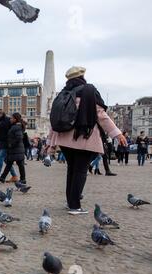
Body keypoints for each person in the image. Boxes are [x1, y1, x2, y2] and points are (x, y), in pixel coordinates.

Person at [47, 66, 127, 215]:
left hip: (64, 139)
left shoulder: (63, 94)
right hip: (82, 137)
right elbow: (101, 115)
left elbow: (54, 120)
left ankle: (71, 201)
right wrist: (117, 133)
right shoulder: (88, 91)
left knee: (72, 170)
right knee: (80, 171)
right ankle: (75, 206)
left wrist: (50, 142)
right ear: (82, 76)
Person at [0, 110, 18, 182]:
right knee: (6, 161)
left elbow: (14, 130)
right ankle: (14, 176)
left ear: (2, 113)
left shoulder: (8, 120)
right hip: (0, 143)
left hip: (7, 143)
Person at [0, 113, 27, 184]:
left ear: (15, 119)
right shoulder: (16, 126)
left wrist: (11, 144)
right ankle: (3, 177)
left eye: (11, 118)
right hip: (16, 149)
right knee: (11, 164)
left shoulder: (16, 127)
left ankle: (22, 179)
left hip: (16, 149)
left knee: (18, 164)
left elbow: (19, 137)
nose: (10, 119)